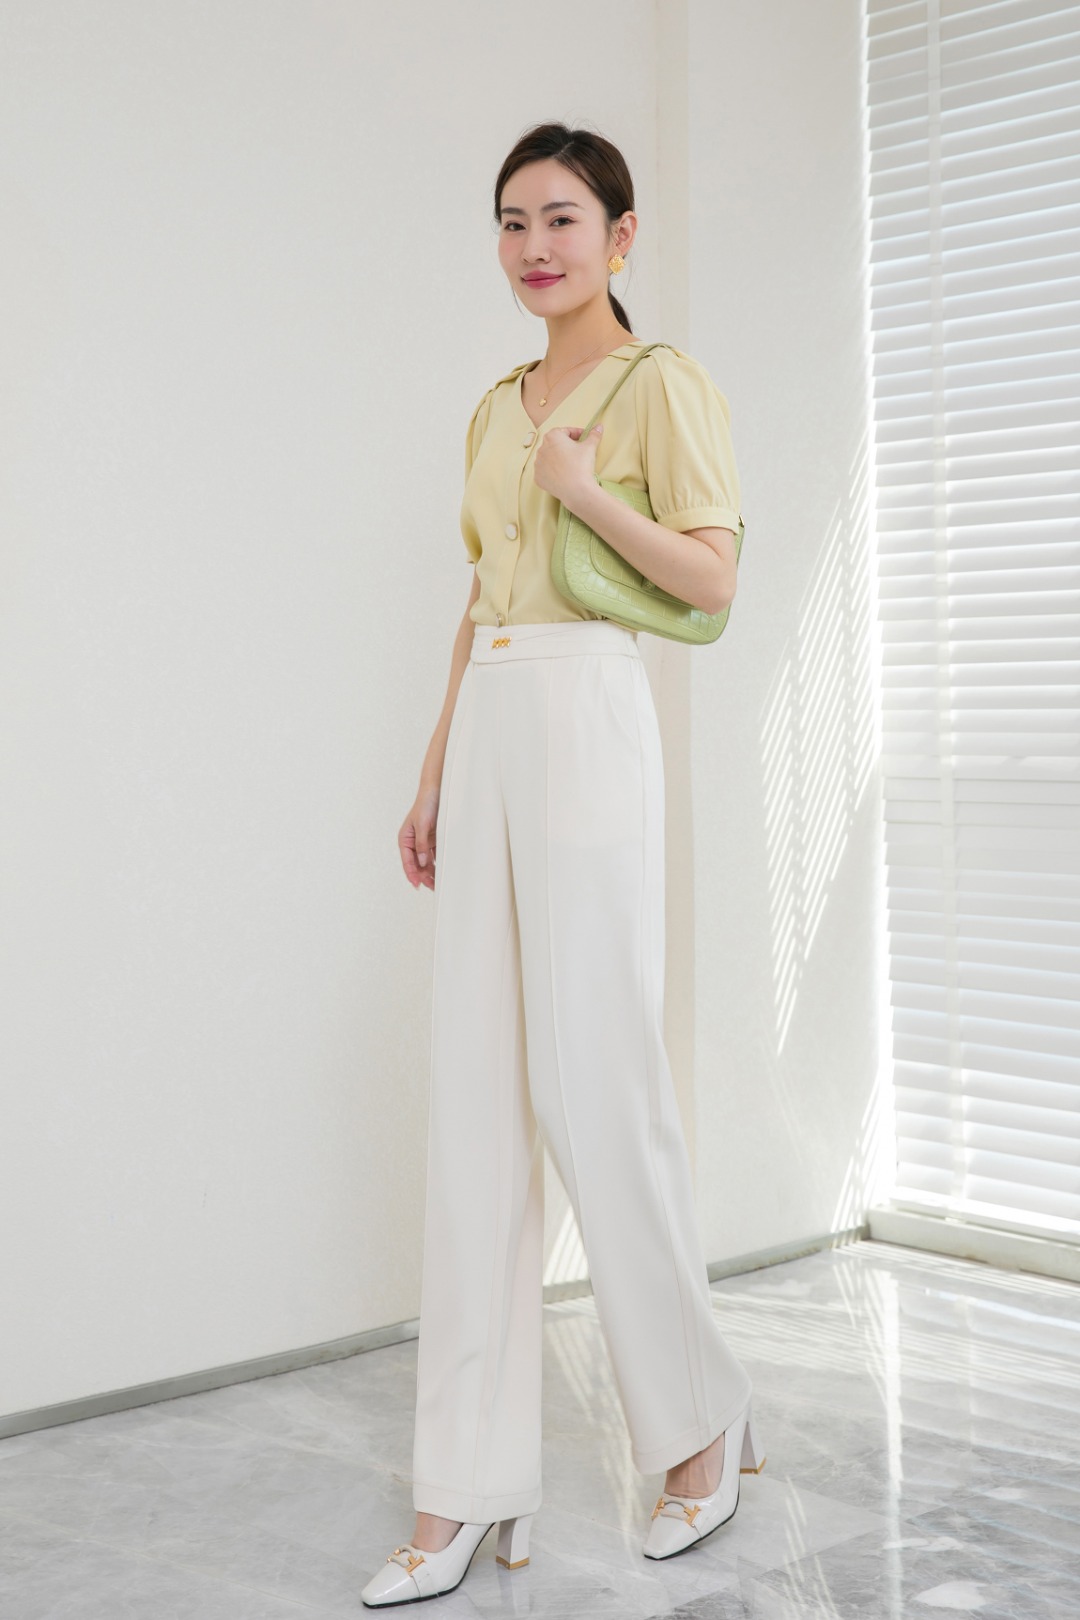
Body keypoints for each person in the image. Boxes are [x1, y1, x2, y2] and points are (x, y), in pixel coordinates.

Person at [361, 121, 765, 1610]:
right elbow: (483, 598)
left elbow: (714, 579)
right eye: (514, 221)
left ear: (622, 234)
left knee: (594, 1083)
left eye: (564, 219)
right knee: (476, 1101)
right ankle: (466, 1491)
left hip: (594, 713)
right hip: (492, 719)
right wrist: (434, 769)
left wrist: (587, 491)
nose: (536, 246)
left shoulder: (663, 386)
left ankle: (698, 1422)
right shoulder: (492, 406)